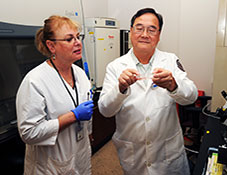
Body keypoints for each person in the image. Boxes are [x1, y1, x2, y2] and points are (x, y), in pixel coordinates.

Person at [98, 8, 198, 175]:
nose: (145, 34)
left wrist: (173, 85)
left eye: (152, 29)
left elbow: (192, 96)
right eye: (139, 28)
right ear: (131, 31)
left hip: (167, 152)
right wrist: (120, 88)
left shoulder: (170, 60)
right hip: (134, 154)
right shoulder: (115, 67)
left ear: (159, 35)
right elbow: (105, 110)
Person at [16, 15, 94, 175]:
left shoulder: (79, 73)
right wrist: (73, 116)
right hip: (50, 165)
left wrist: (89, 132)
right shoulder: (35, 81)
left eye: (78, 37)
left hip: (80, 154)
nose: (78, 43)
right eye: (69, 39)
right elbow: (29, 133)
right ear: (51, 46)